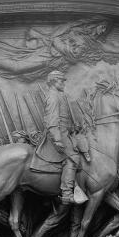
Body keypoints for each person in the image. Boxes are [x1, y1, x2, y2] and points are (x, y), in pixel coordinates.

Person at [42, 70, 79, 204]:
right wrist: (57, 139)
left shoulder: (59, 95)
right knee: (72, 158)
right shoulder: (53, 97)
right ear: (53, 81)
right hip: (57, 134)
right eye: (61, 80)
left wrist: (72, 128)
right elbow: (52, 121)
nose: (63, 83)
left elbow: (63, 118)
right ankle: (67, 193)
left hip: (64, 132)